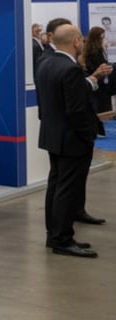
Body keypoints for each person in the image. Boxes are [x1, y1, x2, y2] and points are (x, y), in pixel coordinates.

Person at [36, 24, 107, 258]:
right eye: (81, 41)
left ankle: (54, 235)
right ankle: (62, 240)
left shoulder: (45, 62)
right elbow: (76, 111)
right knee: (66, 190)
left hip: (53, 136)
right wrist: (88, 135)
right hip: (72, 139)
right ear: (76, 42)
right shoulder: (70, 69)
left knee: (56, 187)